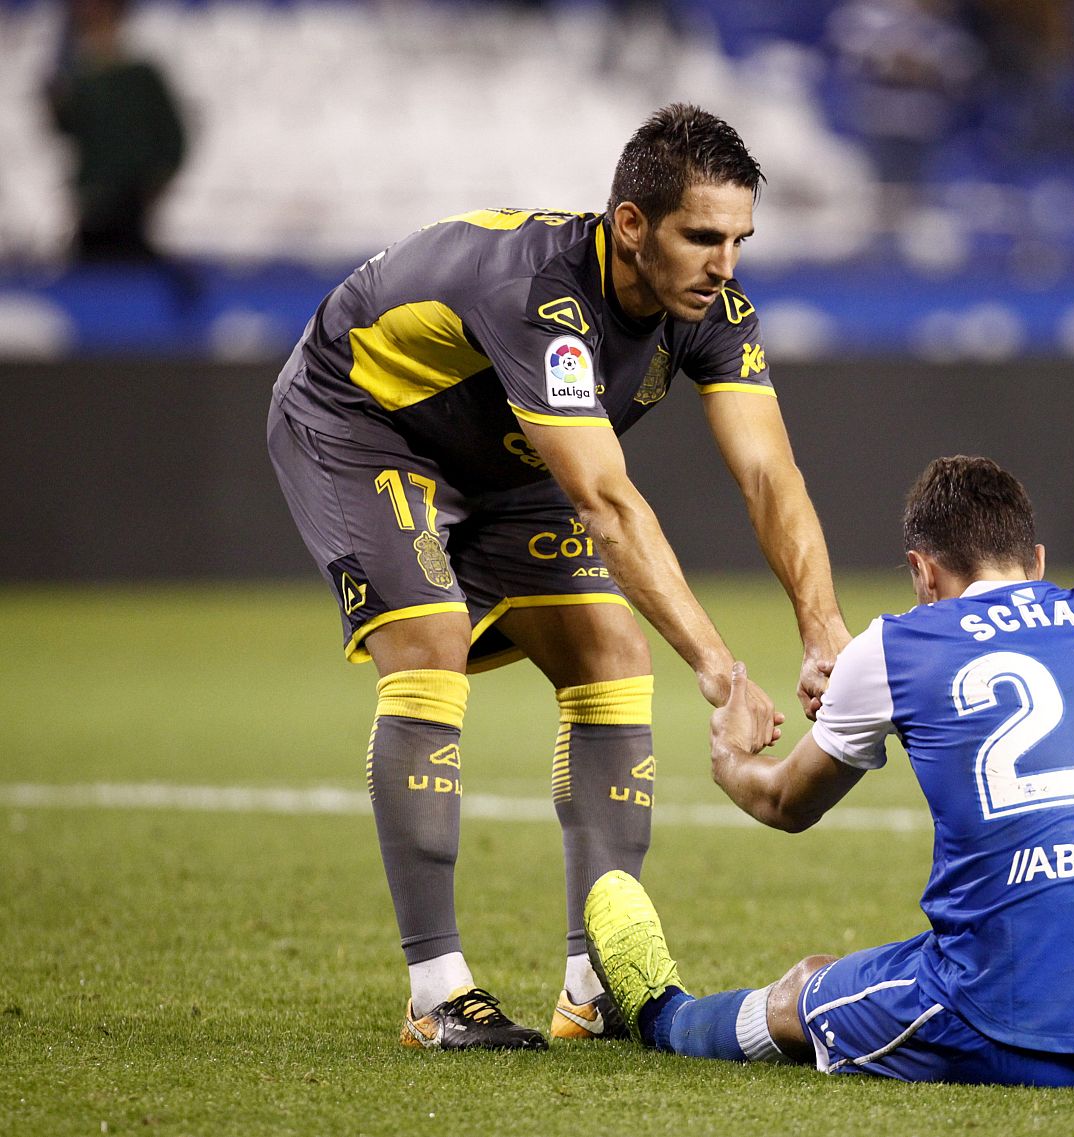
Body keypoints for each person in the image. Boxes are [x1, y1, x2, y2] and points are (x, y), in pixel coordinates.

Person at [267, 104, 850, 1051]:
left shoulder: (709, 308)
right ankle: (436, 992)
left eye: (741, 238)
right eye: (703, 236)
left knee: (612, 654)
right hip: (362, 419)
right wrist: (722, 669)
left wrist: (821, 626)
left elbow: (768, 472)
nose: (726, 264)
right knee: (429, 640)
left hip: (509, 453)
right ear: (631, 226)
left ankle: (595, 985)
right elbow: (609, 505)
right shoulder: (541, 294)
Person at [586, 456, 1074, 1086]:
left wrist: (730, 758)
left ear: (921, 571)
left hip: (998, 1026)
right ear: (1038, 562)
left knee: (809, 986)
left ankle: (662, 1015)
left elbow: (784, 803)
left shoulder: (901, 643)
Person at [46, 0, 187, 262]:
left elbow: (173, 140)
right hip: (92, 206)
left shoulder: (140, 77)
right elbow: (65, 126)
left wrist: (152, 185)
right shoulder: (79, 82)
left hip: (129, 205)